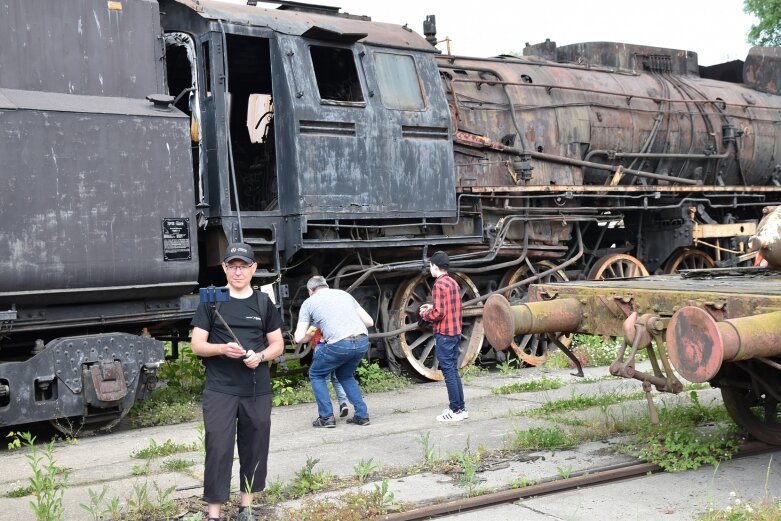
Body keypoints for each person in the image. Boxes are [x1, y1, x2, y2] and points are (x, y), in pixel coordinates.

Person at [190, 242, 285, 521]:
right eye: (232, 266)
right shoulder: (212, 301)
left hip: (256, 389)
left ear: (253, 269)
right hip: (220, 388)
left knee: (254, 447)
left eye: (243, 266)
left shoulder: (263, 302)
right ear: (224, 268)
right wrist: (222, 349)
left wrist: (262, 356)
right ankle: (214, 514)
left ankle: (246, 508)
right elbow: (197, 345)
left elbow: (278, 343)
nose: (238, 271)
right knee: (218, 447)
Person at [294, 276, 374, 427]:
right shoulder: (345, 294)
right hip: (362, 341)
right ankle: (362, 415)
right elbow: (369, 322)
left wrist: (310, 334)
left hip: (339, 344)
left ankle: (326, 417)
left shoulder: (309, 302)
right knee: (345, 375)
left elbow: (298, 338)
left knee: (316, 374)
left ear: (310, 291)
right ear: (326, 286)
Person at [418, 251, 469, 422]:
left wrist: (425, 315)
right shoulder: (452, 282)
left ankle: (454, 410)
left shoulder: (438, 285)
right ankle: (461, 408)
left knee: (448, 372)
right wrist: (431, 306)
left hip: (444, 334)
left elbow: (439, 313)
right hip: (455, 333)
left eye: (430, 266)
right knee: (453, 370)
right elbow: (448, 306)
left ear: (434, 266)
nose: (430, 269)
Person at [309, 328, 351, 417]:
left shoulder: (316, 322)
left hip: (321, 348)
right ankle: (343, 403)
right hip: (335, 348)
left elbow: (309, 334)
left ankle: (327, 411)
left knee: (322, 381)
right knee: (336, 379)